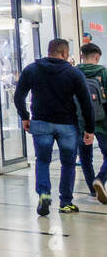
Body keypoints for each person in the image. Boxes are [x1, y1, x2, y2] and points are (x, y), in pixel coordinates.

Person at [14, 38, 96, 215]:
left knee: (42, 160)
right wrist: (90, 129)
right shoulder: (73, 73)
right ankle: (65, 202)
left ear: (49, 50)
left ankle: (44, 193)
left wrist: (25, 117)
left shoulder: (32, 69)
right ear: (65, 53)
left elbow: (18, 96)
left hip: (41, 123)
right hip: (67, 125)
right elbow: (86, 103)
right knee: (68, 164)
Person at [76, 42, 107, 204]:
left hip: (80, 122)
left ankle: (92, 191)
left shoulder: (74, 73)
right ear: (97, 57)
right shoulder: (103, 73)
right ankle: (100, 179)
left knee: (85, 158)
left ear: (82, 56)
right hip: (102, 120)